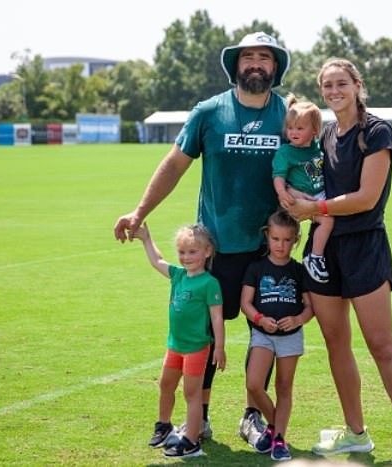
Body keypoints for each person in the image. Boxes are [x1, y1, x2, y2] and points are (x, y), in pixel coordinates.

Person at [113, 31, 291, 446]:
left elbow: (306, 166)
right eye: (248, 57)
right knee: (204, 335)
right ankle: (202, 415)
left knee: (264, 335)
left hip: (269, 250)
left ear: (275, 68)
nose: (255, 65)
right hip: (217, 247)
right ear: (235, 66)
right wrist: (140, 212)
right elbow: (174, 164)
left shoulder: (288, 115)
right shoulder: (209, 112)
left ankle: (253, 416)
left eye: (264, 58)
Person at [283, 58, 392, 467]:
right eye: (327, 85)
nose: (334, 91)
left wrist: (314, 207)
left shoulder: (376, 131)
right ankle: (356, 434)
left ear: (357, 85)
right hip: (324, 248)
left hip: (365, 246)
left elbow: (367, 197)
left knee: (382, 346)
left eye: (341, 83)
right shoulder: (325, 133)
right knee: (336, 344)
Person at [133, 223, 225, 459]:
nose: (186, 257)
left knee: (191, 394)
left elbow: (217, 317)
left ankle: (192, 441)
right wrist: (146, 238)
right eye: (182, 252)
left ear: (207, 252)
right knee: (165, 385)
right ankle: (164, 426)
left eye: (192, 252)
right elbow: (157, 261)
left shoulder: (209, 283)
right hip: (175, 346)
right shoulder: (178, 275)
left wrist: (220, 348)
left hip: (196, 349)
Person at [240, 209, 314, 461]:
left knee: (284, 387)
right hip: (263, 335)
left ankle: (279, 438)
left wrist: (297, 319)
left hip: (290, 337)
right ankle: (275, 425)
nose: (280, 245)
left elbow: (310, 307)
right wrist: (260, 319)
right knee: (254, 384)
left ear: (295, 240)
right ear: (267, 237)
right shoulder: (256, 268)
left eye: (286, 240)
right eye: (275, 239)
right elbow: (246, 304)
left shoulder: (298, 271)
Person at [273, 94, 334, 284]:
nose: (293, 132)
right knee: (327, 220)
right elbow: (278, 176)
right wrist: (283, 193)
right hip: (299, 200)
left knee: (332, 215)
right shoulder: (286, 152)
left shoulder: (317, 148)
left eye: (300, 128)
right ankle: (315, 256)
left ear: (315, 130)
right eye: (290, 128)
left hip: (318, 194)